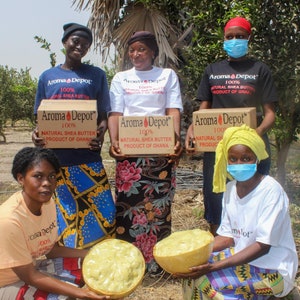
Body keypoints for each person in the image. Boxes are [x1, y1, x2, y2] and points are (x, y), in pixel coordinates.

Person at [178, 125, 298, 299]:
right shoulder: (230, 189)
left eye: (246, 158)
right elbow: (228, 237)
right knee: (190, 276)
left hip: (273, 270)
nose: (238, 164)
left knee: (207, 284)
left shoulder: (271, 190)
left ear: (256, 159)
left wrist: (214, 267)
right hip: (244, 260)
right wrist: (190, 251)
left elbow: (263, 246)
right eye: (233, 159)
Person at [185, 16, 277, 236]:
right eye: (230, 37)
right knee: (216, 199)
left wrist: (255, 135)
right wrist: (192, 129)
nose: (235, 40)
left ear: (248, 38)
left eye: (240, 37)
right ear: (223, 39)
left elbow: (270, 114)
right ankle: (219, 251)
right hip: (217, 150)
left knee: (253, 200)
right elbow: (203, 110)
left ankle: (250, 252)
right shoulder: (212, 70)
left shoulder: (260, 70)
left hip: (251, 151)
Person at [32, 23, 116, 249]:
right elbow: (39, 116)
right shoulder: (47, 76)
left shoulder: (96, 75)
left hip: (87, 157)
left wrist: (100, 133)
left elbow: (103, 115)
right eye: (75, 41)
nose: (80, 46)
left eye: (86, 44)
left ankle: (100, 255)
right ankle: (70, 261)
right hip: (56, 160)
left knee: (103, 209)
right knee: (65, 213)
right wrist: (36, 135)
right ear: (65, 43)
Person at [108, 31, 183, 275]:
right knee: (128, 208)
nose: (136, 54)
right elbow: (116, 113)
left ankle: (157, 265)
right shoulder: (121, 78)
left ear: (153, 52)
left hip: (159, 153)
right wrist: (114, 141)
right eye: (132, 50)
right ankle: (129, 265)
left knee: (158, 209)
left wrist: (174, 140)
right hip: (130, 156)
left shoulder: (167, 76)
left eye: (141, 49)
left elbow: (172, 110)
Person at [0, 147, 109, 299]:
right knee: (61, 297)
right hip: (6, 283)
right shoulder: (9, 220)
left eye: (52, 176)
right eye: (38, 176)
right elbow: (30, 276)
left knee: (89, 266)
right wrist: (81, 293)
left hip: (28, 269)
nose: (47, 183)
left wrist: (95, 254)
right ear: (20, 178)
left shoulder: (49, 203)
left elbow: (53, 251)